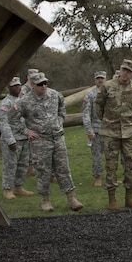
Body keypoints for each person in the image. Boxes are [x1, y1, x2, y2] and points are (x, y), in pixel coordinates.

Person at [17, 72, 83, 213]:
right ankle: (45, 200)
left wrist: (60, 121)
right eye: (40, 84)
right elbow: (12, 119)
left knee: (63, 169)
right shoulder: (24, 101)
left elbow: (61, 109)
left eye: (45, 83)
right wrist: (26, 131)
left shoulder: (55, 95)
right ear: (33, 85)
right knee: (43, 171)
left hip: (58, 138)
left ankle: (72, 198)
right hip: (40, 141)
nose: (44, 86)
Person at [95, 59, 132, 210]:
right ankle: (112, 200)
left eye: (129, 71)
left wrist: (130, 120)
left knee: (131, 165)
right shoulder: (107, 86)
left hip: (129, 133)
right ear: (119, 69)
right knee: (111, 166)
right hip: (110, 132)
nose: (125, 73)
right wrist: (107, 120)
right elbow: (99, 106)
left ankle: (129, 198)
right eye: (124, 70)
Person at [0, 76, 34, 200]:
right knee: (10, 165)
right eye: (14, 86)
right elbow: (3, 122)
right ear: (9, 87)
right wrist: (10, 140)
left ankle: (19, 187)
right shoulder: (6, 103)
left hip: (24, 137)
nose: (17, 87)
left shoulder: (23, 100)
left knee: (22, 164)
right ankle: (7, 189)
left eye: (18, 85)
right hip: (13, 139)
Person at [82, 70, 108, 187]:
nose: (100, 80)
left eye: (102, 78)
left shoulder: (110, 93)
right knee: (97, 155)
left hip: (109, 129)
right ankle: (97, 177)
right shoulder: (90, 95)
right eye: (98, 78)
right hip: (96, 129)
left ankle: (111, 176)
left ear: (105, 79)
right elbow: (86, 114)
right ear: (95, 80)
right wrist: (89, 130)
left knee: (111, 155)